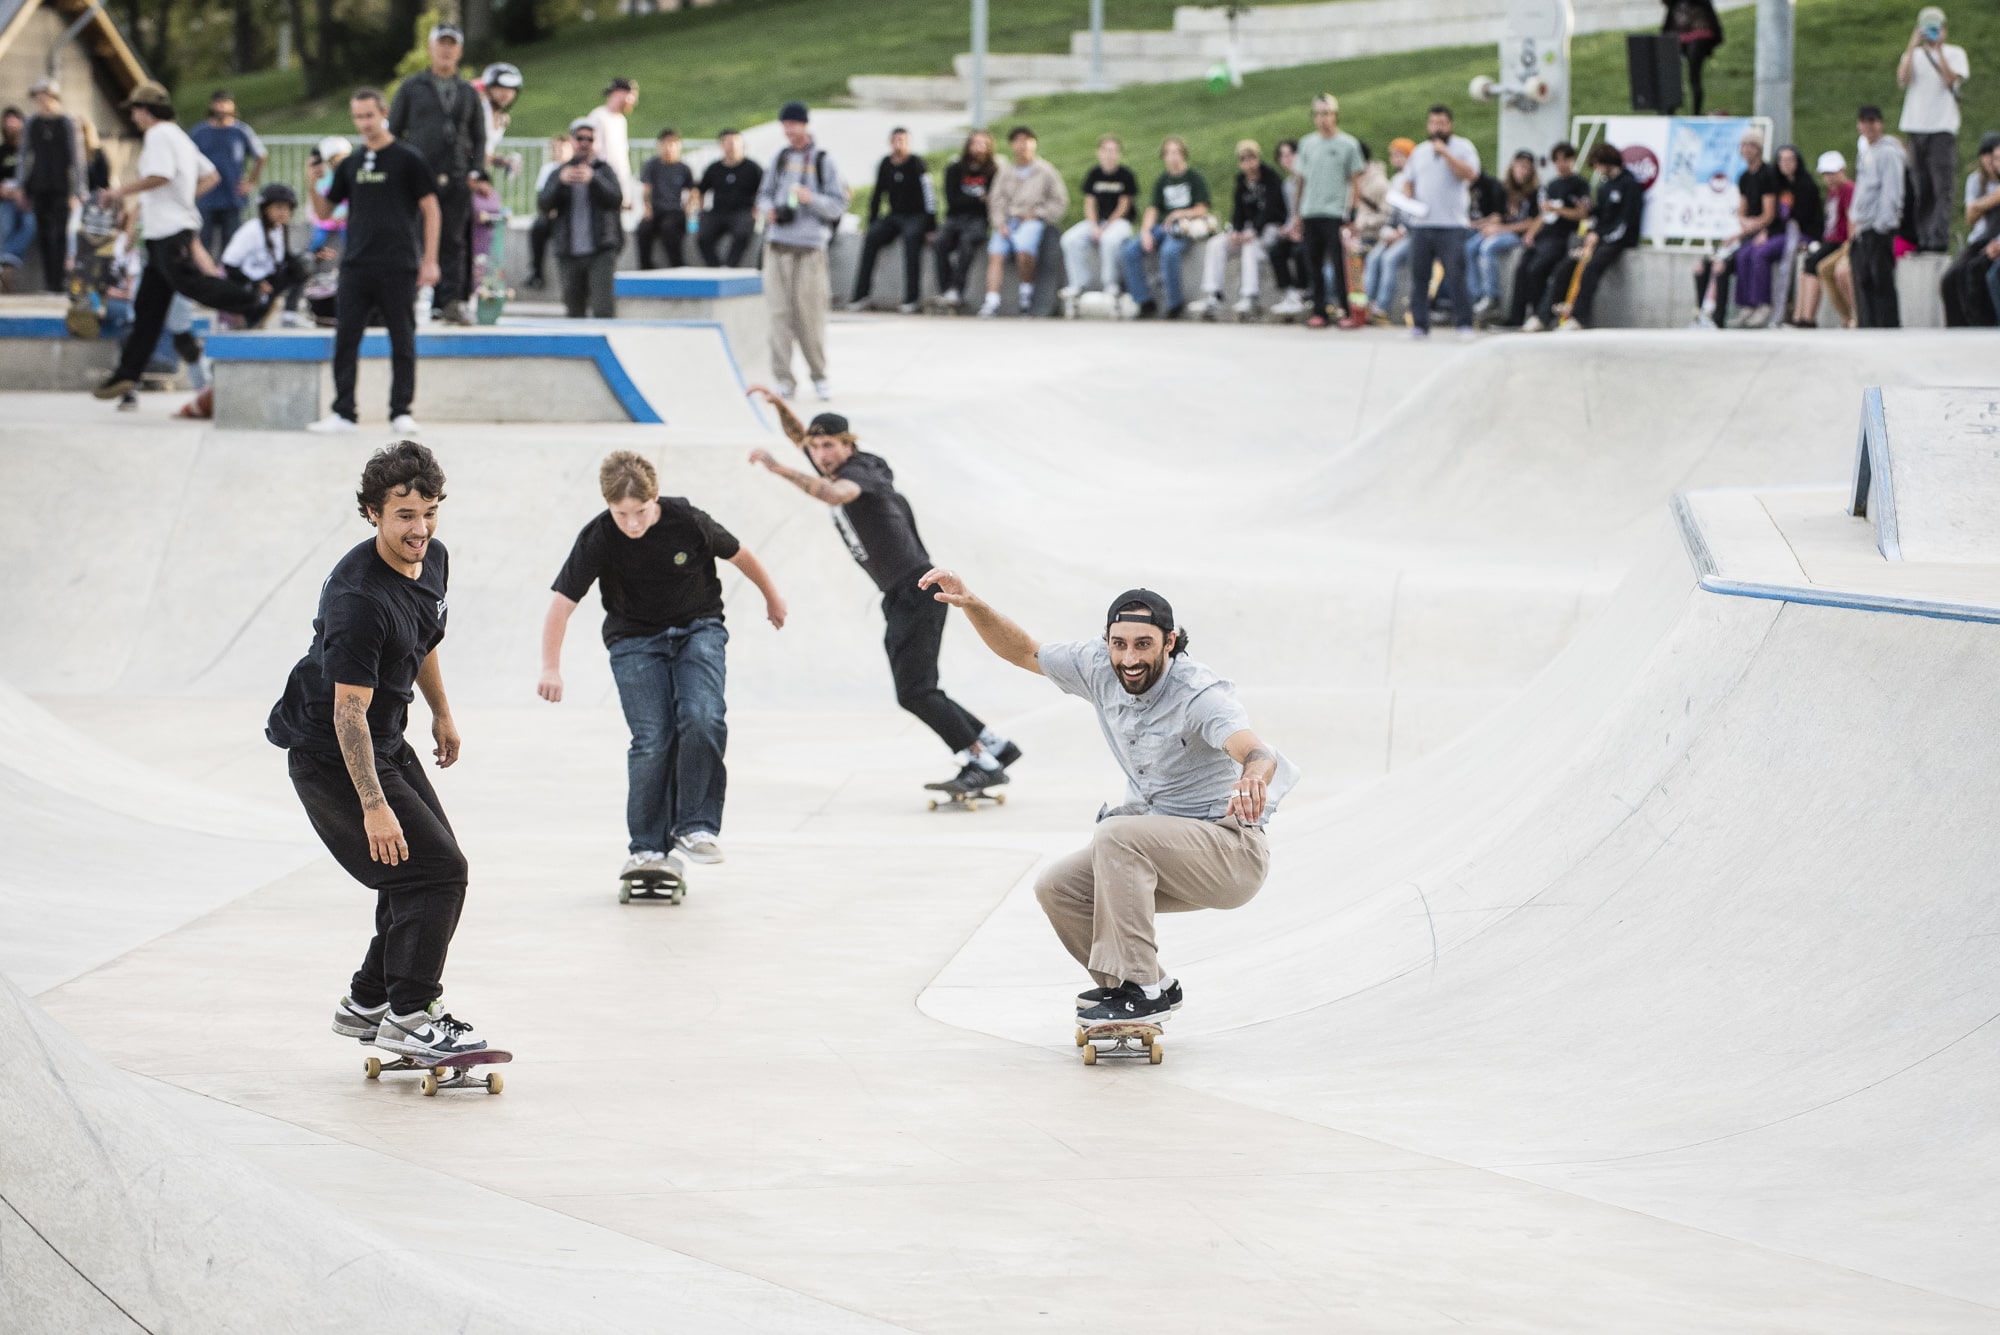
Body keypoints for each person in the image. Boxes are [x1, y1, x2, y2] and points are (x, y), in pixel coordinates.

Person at [915, 578, 1297, 1027]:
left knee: (1115, 834)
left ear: (1169, 643)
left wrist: (1253, 776)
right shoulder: (1097, 666)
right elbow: (1024, 652)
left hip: (1228, 854)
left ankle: (1143, 992)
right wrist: (973, 605)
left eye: (1143, 645)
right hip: (1155, 854)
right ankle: (1144, 985)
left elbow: (1255, 751)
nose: (1129, 659)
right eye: (1119, 645)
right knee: (1058, 887)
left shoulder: (1198, 694)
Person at [266, 441, 492, 1066]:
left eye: (430, 512)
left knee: (420, 869)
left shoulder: (434, 559)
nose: (420, 530)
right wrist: (372, 804)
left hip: (386, 736)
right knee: (437, 871)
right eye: (404, 517)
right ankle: (411, 1015)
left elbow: (421, 640)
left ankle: (368, 1001)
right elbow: (346, 713)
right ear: (372, 514)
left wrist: (442, 712)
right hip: (330, 752)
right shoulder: (358, 600)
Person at [745, 390, 1021, 792]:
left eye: (829, 447)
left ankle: (980, 760)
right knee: (919, 687)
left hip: (918, 589)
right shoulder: (835, 463)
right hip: (902, 594)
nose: (820, 455)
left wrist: (776, 468)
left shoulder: (858, 474)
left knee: (915, 691)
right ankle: (995, 744)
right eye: (816, 447)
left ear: (848, 444)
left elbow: (834, 494)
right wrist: (779, 407)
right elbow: (802, 440)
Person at [540, 450, 787, 873]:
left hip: (698, 629)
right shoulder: (599, 536)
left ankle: (695, 827)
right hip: (634, 641)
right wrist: (550, 666)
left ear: (655, 499)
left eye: (640, 512)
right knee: (653, 738)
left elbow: (741, 554)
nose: (632, 523)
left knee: (703, 717)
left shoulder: (686, 519)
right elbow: (562, 603)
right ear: (608, 507)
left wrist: (772, 596)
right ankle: (648, 847)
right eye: (622, 514)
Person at [87, 81, 261, 403]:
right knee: (148, 309)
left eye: (136, 112)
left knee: (191, 283)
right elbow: (211, 176)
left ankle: (252, 301)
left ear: (145, 110)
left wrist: (118, 193)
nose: (134, 119)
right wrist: (182, 200)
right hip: (162, 232)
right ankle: (127, 374)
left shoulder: (158, 135)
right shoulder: (179, 135)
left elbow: (162, 175)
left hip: (168, 232)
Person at [304, 88, 441, 434]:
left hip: (398, 264)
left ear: (383, 113)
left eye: (369, 115)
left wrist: (431, 260)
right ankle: (344, 412)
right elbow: (324, 212)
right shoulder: (351, 162)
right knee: (346, 337)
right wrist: (312, 184)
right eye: (358, 117)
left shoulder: (408, 158)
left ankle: (400, 411)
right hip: (356, 265)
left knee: (403, 337)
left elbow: (431, 208)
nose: (364, 123)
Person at [388, 23, 484, 324]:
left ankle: (450, 301)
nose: (446, 50)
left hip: (455, 176)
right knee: (412, 238)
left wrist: (475, 170)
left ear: (459, 51)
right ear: (431, 48)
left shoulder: (468, 92)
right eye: (441, 44)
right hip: (419, 175)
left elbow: (479, 137)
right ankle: (407, 298)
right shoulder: (412, 87)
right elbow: (394, 130)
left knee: (454, 241)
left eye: (452, 45)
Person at [755, 101, 847, 401]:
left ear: (805, 125)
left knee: (809, 317)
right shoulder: (779, 158)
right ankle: (783, 379)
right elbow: (764, 194)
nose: (789, 129)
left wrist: (811, 199)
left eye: (793, 124)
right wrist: (769, 210)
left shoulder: (823, 160)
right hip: (778, 246)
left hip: (809, 250)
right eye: (785, 125)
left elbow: (837, 205)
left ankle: (819, 375)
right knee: (778, 317)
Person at [1402, 104, 1481, 340]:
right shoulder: (1419, 151)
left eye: (1442, 123)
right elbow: (1409, 179)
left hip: (1452, 225)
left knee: (1456, 275)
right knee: (1419, 277)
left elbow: (1470, 174)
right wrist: (1409, 196)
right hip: (1422, 224)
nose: (1437, 127)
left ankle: (1465, 323)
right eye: (1433, 123)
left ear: (1450, 125)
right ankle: (1419, 324)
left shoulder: (1463, 147)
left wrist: (1445, 153)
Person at [1551, 141, 1646, 331]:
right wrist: (1589, 215)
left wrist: (1600, 236)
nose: (1598, 171)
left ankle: (1579, 317)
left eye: (1598, 166)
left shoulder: (1630, 185)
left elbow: (1624, 223)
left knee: (1592, 266)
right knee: (1568, 262)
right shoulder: (1605, 187)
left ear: (1608, 162)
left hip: (1620, 239)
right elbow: (1601, 215)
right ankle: (1555, 309)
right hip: (1603, 236)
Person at [1691, 129, 1780, 328]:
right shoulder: (1744, 177)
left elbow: (1769, 214)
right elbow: (1742, 211)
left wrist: (1746, 228)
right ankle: (1721, 310)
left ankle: (1753, 306)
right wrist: (1742, 225)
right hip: (1748, 231)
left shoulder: (1768, 174)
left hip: (1766, 231)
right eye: (1744, 146)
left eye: (1751, 146)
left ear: (1758, 149)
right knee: (1716, 262)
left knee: (1744, 258)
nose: (1747, 150)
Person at [1897, 6, 1968, 253]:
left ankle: (1938, 239)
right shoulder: (1914, 55)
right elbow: (1903, 78)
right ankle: (1923, 237)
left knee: (1941, 187)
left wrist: (1939, 52)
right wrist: (1912, 44)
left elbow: (1950, 79)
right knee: (1921, 186)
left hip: (1941, 128)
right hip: (1916, 127)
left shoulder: (1955, 53)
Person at [1293, 95, 1366, 328]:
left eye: (1326, 114)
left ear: (1335, 115)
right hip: (1311, 210)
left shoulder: (1348, 144)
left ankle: (1347, 310)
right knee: (1312, 264)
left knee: (1339, 264)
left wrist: (1352, 214)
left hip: (1335, 212)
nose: (1322, 119)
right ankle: (1320, 311)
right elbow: (1300, 181)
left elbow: (1356, 182)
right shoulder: (1307, 143)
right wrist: (1297, 213)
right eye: (1318, 114)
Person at [1119, 134, 1210, 320]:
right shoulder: (1162, 180)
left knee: (1169, 252)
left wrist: (1180, 213)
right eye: (1168, 153)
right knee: (1130, 250)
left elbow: (1202, 208)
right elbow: (1152, 210)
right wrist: (1145, 232)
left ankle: (1174, 304)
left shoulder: (1194, 178)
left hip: (1184, 228)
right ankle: (1144, 301)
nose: (1172, 157)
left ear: (1184, 154)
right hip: (1163, 227)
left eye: (1176, 152)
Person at [540, 118, 623, 319]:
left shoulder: (604, 170)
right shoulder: (559, 171)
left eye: (589, 139)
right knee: (574, 309)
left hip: (600, 249)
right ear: (572, 140)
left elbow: (616, 199)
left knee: (603, 308)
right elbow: (543, 204)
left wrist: (594, 179)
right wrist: (560, 183)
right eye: (580, 138)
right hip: (569, 251)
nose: (584, 143)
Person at [981, 125, 1067, 318]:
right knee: (995, 252)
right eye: (1018, 142)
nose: (1023, 146)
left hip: (1032, 220)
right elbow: (996, 200)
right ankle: (992, 301)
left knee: (1024, 250)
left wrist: (1038, 214)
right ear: (1012, 145)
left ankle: (1026, 296)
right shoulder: (1005, 172)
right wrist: (1000, 222)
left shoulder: (1045, 171)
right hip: (1009, 220)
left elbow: (1060, 202)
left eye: (1027, 141)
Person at [1502, 141, 1589, 331]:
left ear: (1572, 160)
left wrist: (1558, 209)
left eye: (1565, 159)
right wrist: (1531, 233)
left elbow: (1582, 213)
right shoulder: (1553, 184)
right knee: (1522, 267)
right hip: (1545, 233)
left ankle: (1539, 314)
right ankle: (1516, 315)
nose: (1561, 164)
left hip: (1562, 235)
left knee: (1537, 268)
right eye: (1557, 160)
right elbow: (1544, 214)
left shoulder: (1579, 184)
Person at [849, 127, 936, 312]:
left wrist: (930, 225)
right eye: (896, 140)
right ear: (891, 142)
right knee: (872, 237)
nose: (900, 144)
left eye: (903, 140)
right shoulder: (885, 164)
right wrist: (871, 221)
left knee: (912, 240)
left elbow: (929, 195)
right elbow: (877, 194)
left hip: (916, 215)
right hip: (895, 215)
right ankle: (861, 295)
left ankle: (912, 298)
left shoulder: (917, 163)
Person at [1199, 139, 1285, 319]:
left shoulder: (1271, 178)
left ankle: (1250, 295)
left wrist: (1253, 231)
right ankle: (1214, 293)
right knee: (1216, 244)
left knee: (1250, 246)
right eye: (1244, 160)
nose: (1249, 164)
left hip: (1270, 228)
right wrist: (1236, 231)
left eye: (1252, 159)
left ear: (1258, 158)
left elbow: (1271, 209)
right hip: (1248, 229)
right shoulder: (1241, 183)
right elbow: (1237, 212)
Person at [16, 79, 84, 294]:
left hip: (61, 186)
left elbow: (77, 157)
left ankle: (60, 281)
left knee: (60, 235)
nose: (41, 100)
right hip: (40, 185)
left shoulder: (66, 122)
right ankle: (49, 283)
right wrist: (20, 186)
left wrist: (78, 190)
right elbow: (24, 156)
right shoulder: (32, 123)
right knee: (44, 234)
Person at [1058, 134, 1138, 303]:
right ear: (1099, 153)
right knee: (1069, 239)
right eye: (1106, 150)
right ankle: (1078, 283)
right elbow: (1089, 204)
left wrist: (1106, 226)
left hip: (1120, 222)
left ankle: (1111, 283)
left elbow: (1124, 207)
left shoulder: (1126, 175)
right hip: (1098, 221)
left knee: (1109, 241)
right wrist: (1094, 226)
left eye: (1113, 150)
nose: (1109, 154)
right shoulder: (1094, 174)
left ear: (1118, 154)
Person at [189, 89, 266, 258]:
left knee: (232, 246)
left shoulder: (241, 131)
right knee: (203, 244)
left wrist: (251, 182)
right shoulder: (199, 132)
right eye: (218, 102)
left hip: (232, 197)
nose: (222, 106)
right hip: (206, 198)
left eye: (225, 102)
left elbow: (260, 156)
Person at [220, 182, 308, 327]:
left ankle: (289, 316)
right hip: (245, 283)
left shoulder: (279, 229)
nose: (284, 213)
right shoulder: (251, 230)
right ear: (265, 208)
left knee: (303, 264)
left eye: (287, 208)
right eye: (278, 208)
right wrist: (255, 283)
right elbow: (229, 265)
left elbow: (285, 260)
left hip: (266, 282)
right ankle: (244, 316)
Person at [1850, 104, 1907, 328]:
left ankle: (1887, 325)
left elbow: (1892, 191)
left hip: (1879, 225)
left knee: (1881, 278)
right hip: (1864, 225)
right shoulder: (1866, 153)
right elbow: (1861, 189)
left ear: (1880, 124)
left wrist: (1884, 223)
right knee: (1865, 279)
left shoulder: (1889, 154)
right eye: (1864, 121)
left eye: (1873, 121)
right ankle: (1870, 323)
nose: (1869, 126)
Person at [1465, 151, 1537, 324]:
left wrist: (1500, 228)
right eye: (1520, 166)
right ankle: (1476, 296)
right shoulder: (1505, 189)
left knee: (1488, 247)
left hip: (1516, 235)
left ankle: (1492, 297)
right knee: (1469, 247)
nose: (1523, 171)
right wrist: (1486, 226)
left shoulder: (1535, 192)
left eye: (1527, 167)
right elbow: (1499, 215)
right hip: (1502, 229)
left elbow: (1531, 222)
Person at [1939, 132, 2000, 325]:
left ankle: (1982, 324)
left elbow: (1975, 208)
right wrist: (1990, 201)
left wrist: (1980, 205)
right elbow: (1970, 216)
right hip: (1979, 239)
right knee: (1949, 280)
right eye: (1988, 155)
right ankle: (1957, 326)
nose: (1991, 161)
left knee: (1974, 274)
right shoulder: (1976, 180)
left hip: (1992, 240)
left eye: (1996, 156)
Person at [1792, 150, 1855, 328]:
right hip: (1830, 239)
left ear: (1842, 170)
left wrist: (1849, 245)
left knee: (1816, 266)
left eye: (1833, 173)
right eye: (1826, 174)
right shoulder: (1832, 192)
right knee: (1809, 265)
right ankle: (1800, 315)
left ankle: (1809, 317)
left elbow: (1851, 218)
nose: (1830, 178)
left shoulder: (1847, 189)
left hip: (1841, 241)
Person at [933, 129, 995, 310]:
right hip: (955, 218)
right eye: (976, 143)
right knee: (940, 241)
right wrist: (978, 199)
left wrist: (971, 200)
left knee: (966, 242)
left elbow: (991, 202)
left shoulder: (993, 171)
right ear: (968, 146)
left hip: (978, 221)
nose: (979, 148)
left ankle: (957, 290)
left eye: (984, 144)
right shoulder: (954, 169)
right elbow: (952, 200)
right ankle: (947, 289)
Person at [1356, 138, 1415, 326]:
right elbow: (1394, 212)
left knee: (1389, 259)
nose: (1396, 159)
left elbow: (1418, 211)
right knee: (1374, 259)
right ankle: (1365, 304)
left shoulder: (1416, 178)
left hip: (1412, 233)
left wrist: (1402, 232)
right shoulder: (1396, 180)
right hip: (1395, 232)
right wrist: (1389, 231)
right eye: (1394, 155)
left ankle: (1382, 307)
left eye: (1401, 155)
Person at [1763, 146, 1824, 324]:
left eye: (1790, 160)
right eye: (1782, 160)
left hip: (1803, 234)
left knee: (1770, 253)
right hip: (1783, 233)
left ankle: (1781, 309)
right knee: (1754, 252)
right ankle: (1756, 303)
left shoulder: (1806, 185)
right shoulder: (1778, 184)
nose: (1786, 164)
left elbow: (1802, 219)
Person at [695, 129, 762, 267]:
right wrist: (700, 210)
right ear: (721, 144)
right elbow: (701, 190)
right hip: (718, 212)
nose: (732, 146)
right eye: (728, 142)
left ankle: (730, 266)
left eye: (735, 142)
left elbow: (763, 191)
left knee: (742, 233)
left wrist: (756, 210)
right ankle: (715, 267)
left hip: (743, 211)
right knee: (702, 236)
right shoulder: (714, 168)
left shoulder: (752, 168)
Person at [637, 127, 695, 270]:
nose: (668, 148)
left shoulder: (683, 168)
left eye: (672, 144)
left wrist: (688, 208)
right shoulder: (651, 165)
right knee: (643, 230)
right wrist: (647, 208)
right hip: (656, 209)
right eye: (665, 144)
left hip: (675, 210)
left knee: (669, 229)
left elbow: (693, 191)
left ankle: (677, 264)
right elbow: (647, 189)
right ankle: (646, 266)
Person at [1267, 139, 1310, 316]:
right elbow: (1291, 213)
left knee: (1300, 250)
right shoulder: (1287, 184)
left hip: (1310, 228)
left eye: (1290, 154)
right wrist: (1287, 229)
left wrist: (1299, 228)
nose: (1287, 159)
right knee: (1276, 250)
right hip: (1294, 229)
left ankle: (1304, 292)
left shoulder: (1308, 178)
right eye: (1283, 156)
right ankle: (1290, 292)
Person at [585, 77, 639, 215]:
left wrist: (626, 193)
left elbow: (621, 158)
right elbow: (593, 151)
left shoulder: (621, 120)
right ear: (619, 93)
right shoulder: (598, 116)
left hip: (616, 182)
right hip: (602, 178)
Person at [1661, 0, 1725, 116]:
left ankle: (1696, 113)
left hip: (1699, 34)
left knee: (1694, 75)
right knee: (1671, 74)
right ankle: (1669, 110)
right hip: (1677, 36)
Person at [525, 133, 571, 288]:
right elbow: (541, 196)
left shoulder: (573, 168)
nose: (559, 152)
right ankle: (536, 273)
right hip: (551, 214)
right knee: (538, 229)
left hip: (567, 215)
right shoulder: (548, 169)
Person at [0, 107, 33, 290]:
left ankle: (6, 259)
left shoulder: (29, 151)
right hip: (6, 200)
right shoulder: (2, 151)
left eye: (15, 120)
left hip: (27, 199)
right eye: (8, 121)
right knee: (5, 224)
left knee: (30, 223)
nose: (11, 124)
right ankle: (6, 267)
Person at [476, 62, 522, 175]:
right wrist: (501, 161)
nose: (506, 93)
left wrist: (504, 162)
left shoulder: (503, 119)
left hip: (478, 173)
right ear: (489, 88)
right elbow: (468, 149)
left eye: (511, 89)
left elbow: (486, 152)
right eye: (500, 88)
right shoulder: (479, 109)